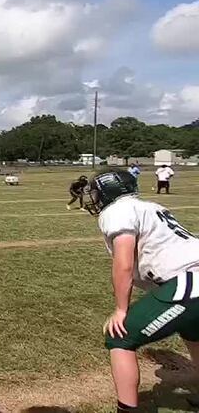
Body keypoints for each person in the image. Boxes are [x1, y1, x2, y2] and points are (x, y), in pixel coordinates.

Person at [84, 170, 198, 412]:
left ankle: (126, 410)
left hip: (188, 282)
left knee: (120, 337)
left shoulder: (116, 211)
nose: (93, 198)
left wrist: (121, 309)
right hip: (191, 279)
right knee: (193, 332)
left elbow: (123, 262)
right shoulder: (151, 206)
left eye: (95, 192)